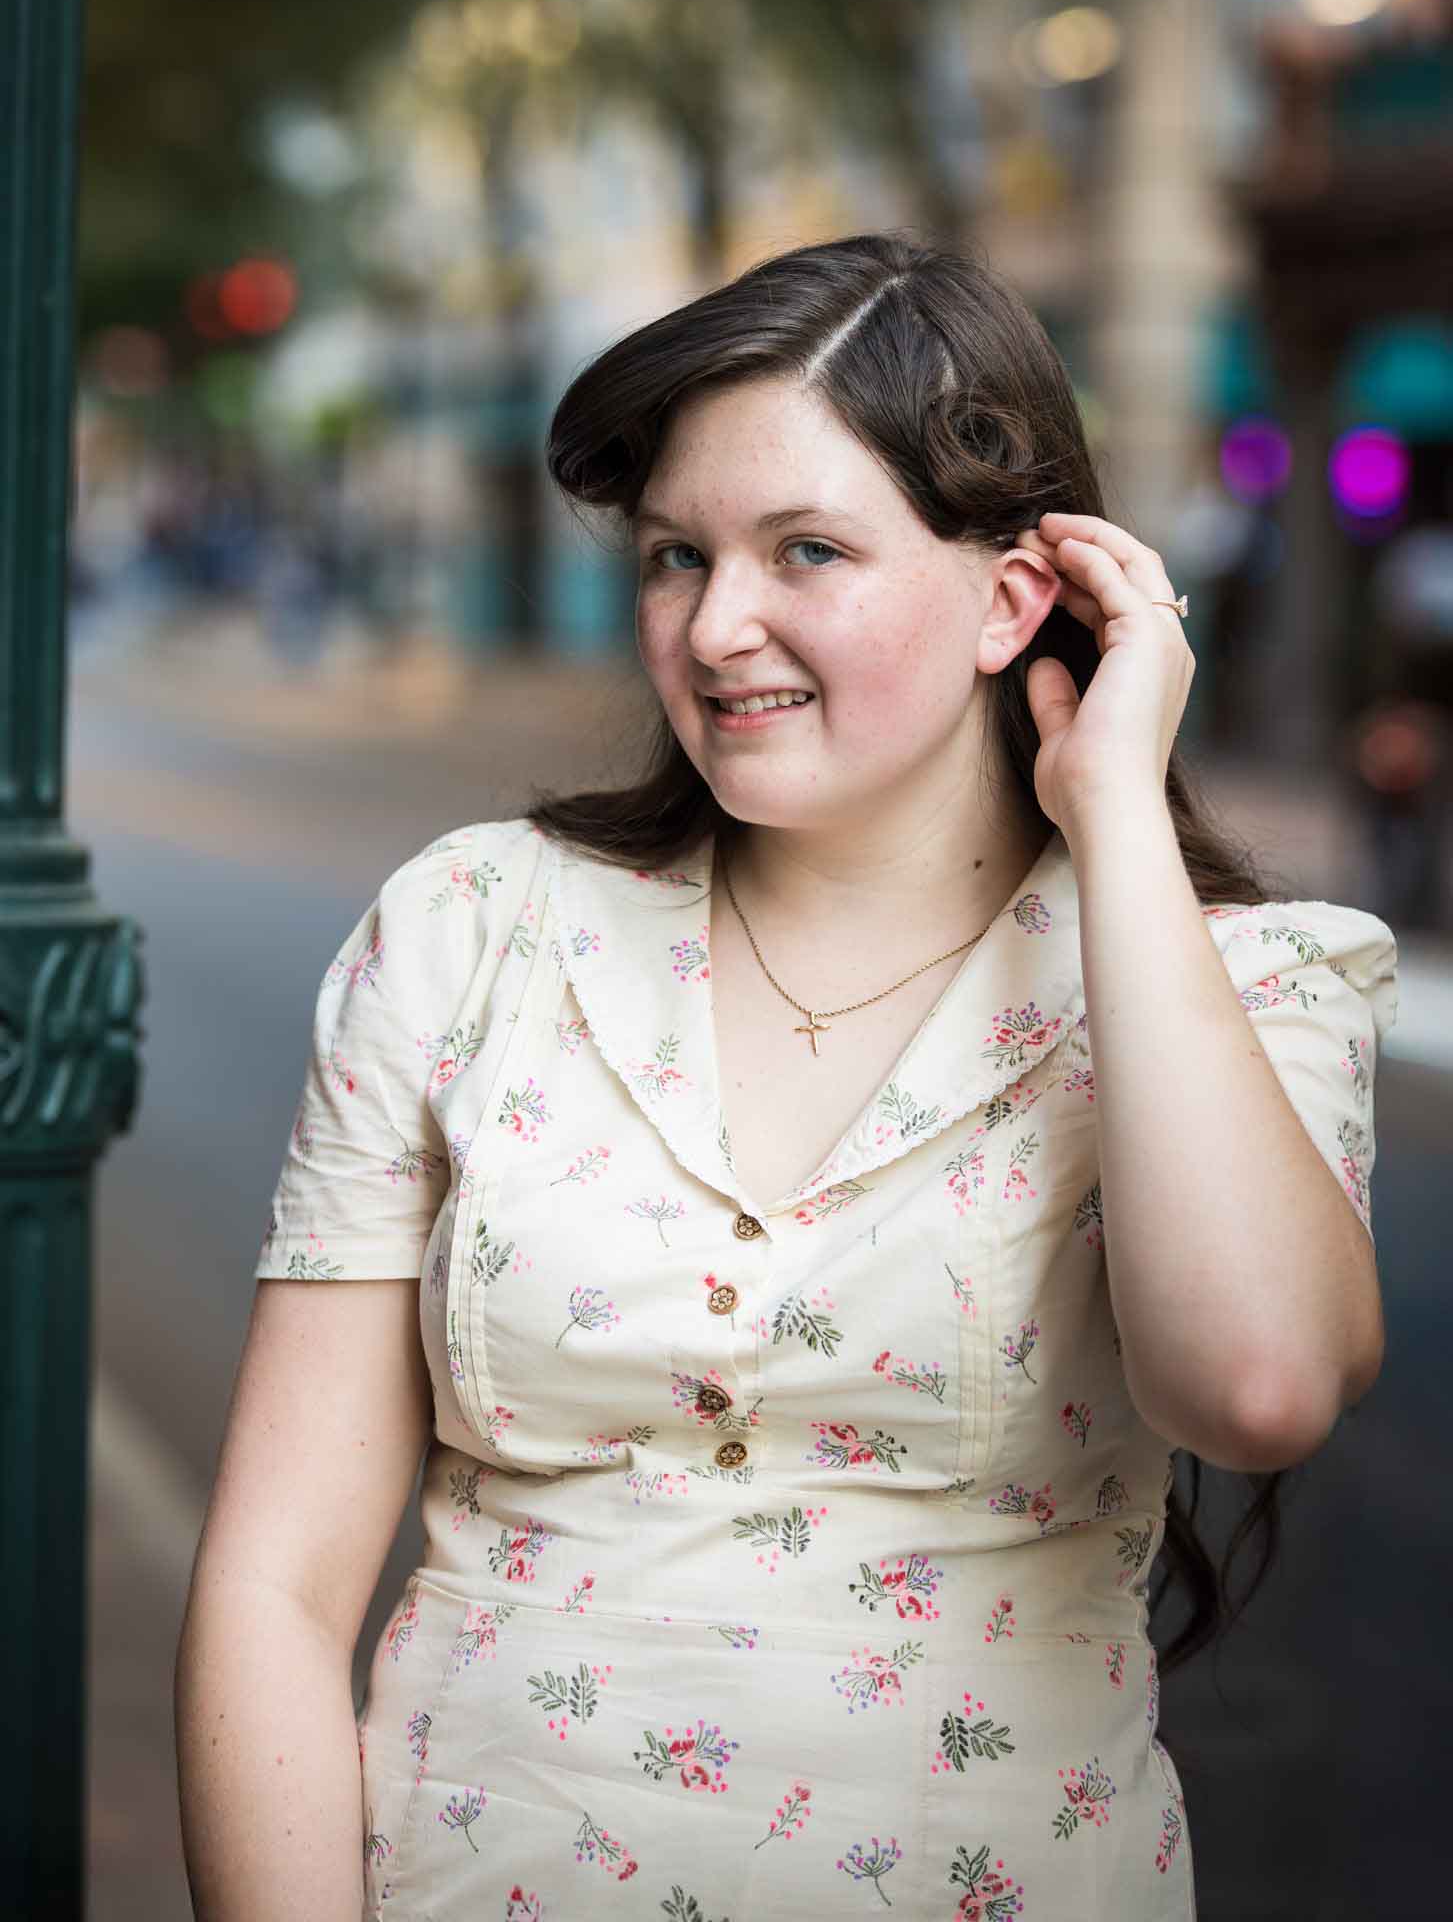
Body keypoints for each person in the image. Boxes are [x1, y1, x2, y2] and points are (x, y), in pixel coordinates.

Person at [175, 233, 1399, 1921]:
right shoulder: (472, 929)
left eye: (805, 549)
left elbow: (1255, 1386)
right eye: (677, 555)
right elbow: (275, 1589)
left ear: (1011, 598)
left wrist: (1114, 814)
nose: (712, 625)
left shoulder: (1240, 984)